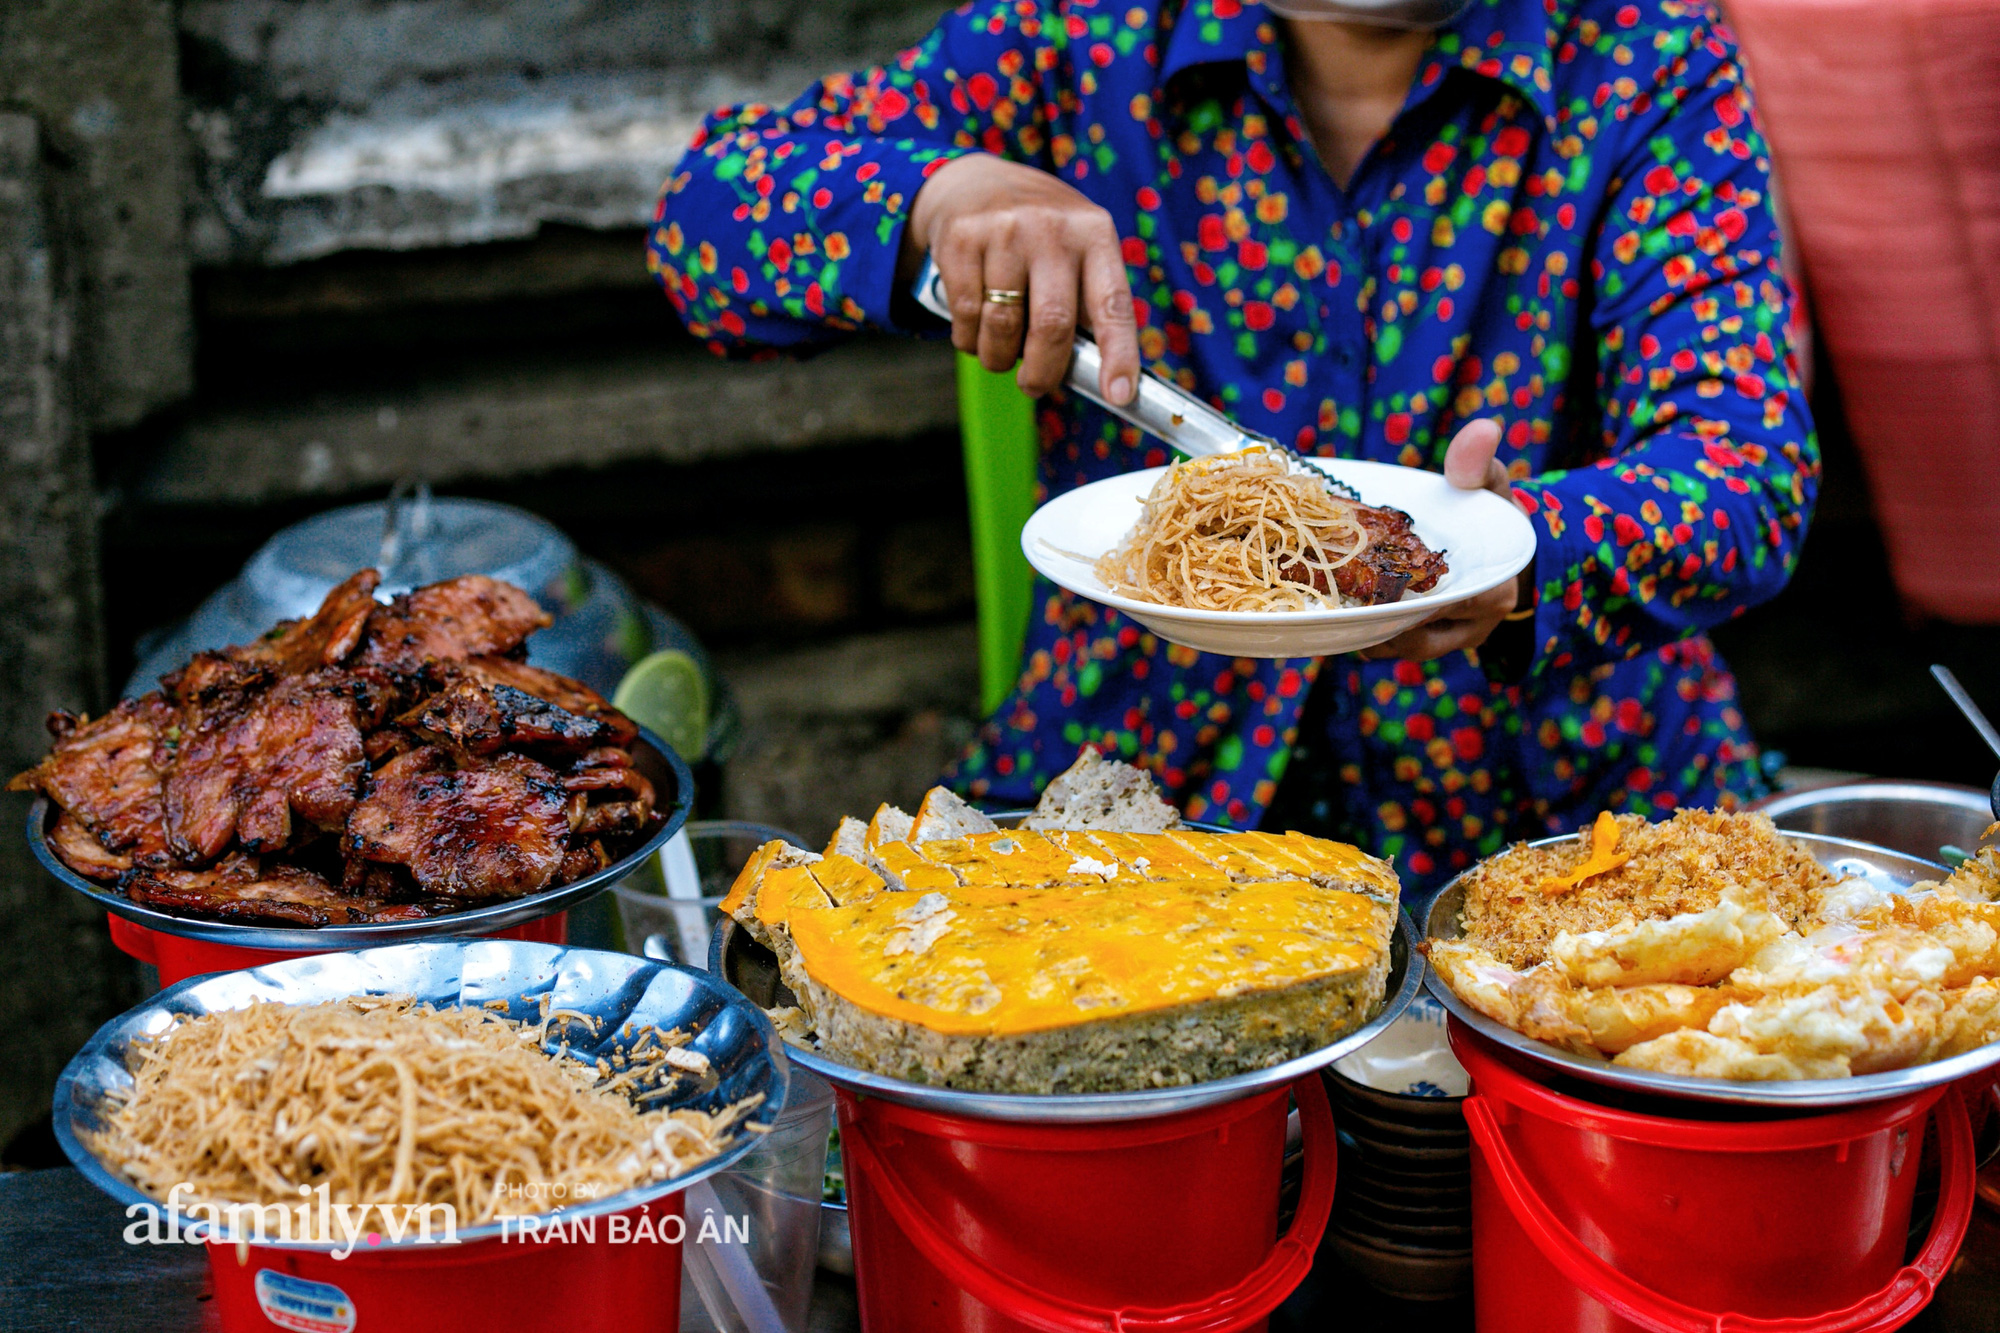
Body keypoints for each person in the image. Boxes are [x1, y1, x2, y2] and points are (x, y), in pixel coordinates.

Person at [649, 0, 1817, 898]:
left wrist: (1521, 553)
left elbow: (1744, 464)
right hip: (1139, 789)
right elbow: (703, 223)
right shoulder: (1080, 34)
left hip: (1559, 809)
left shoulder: (1640, 51)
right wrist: (940, 193)